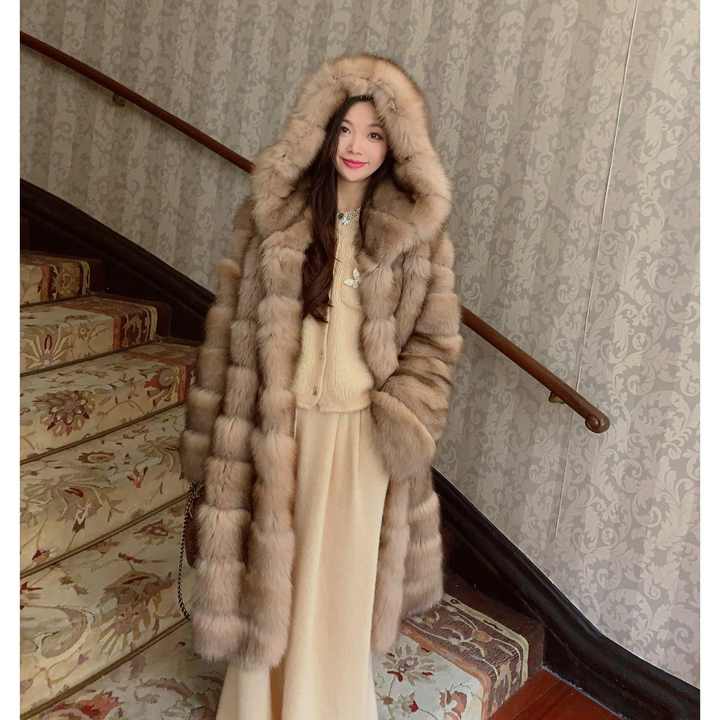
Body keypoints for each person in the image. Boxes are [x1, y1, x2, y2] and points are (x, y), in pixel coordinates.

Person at [179, 53, 464, 720]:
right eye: (345, 129)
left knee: (337, 583)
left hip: (362, 437)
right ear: (322, 132)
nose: (357, 146)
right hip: (279, 428)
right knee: (271, 576)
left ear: (396, 146)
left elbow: (435, 344)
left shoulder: (418, 237)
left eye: (375, 133)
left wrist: (406, 419)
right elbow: (226, 332)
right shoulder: (271, 218)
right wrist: (210, 441)